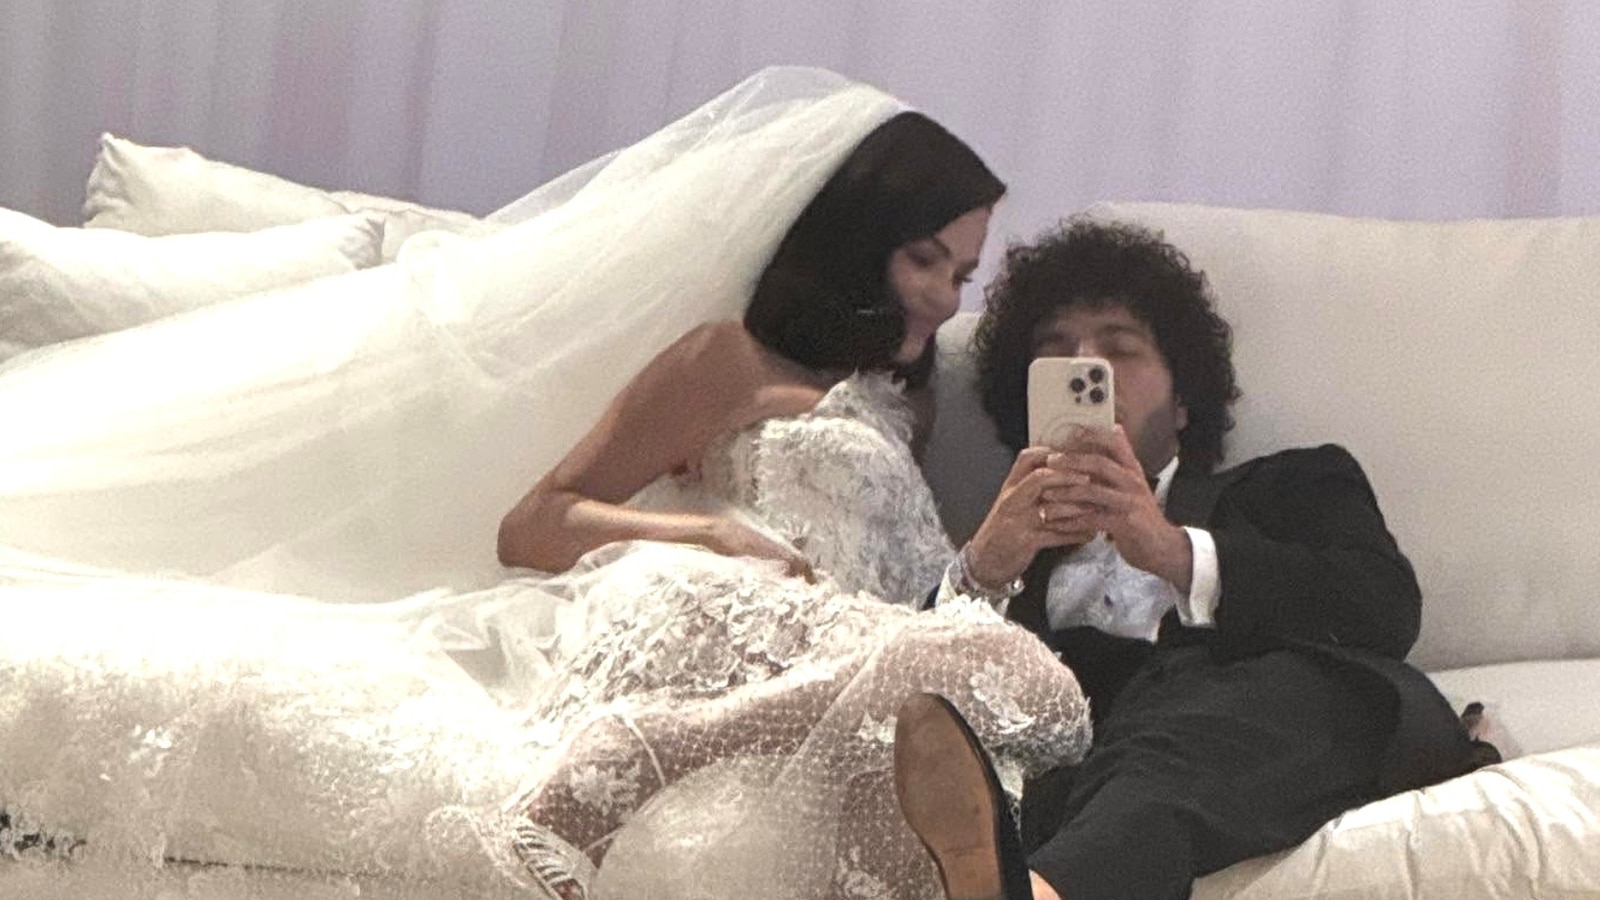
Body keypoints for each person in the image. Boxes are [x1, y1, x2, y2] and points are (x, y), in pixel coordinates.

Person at [0, 69, 1090, 900]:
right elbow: (534, 522)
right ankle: (637, 752)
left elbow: (911, 627)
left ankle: (647, 761)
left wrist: (987, 559)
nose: (945, 301)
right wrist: (705, 539)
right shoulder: (726, 361)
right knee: (1020, 682)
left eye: (963, 275)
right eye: (925, 262)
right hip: (708, 617)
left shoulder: (898, 407)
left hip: (825, 662)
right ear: (856, 241)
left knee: (1023, 697)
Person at [892, 218, 1484, 900]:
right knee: (1065, 768)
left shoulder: (1291, 484)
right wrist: (983, 570)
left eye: (1120, 348)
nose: (1088, 364)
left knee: (1215, 720)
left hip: (1264, 719)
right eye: (1057, 354)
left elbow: (1383, 610)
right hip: (1089, 767)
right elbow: (913, 712)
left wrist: (1174, 552)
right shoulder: (1009, 556)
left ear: (1182, 402)